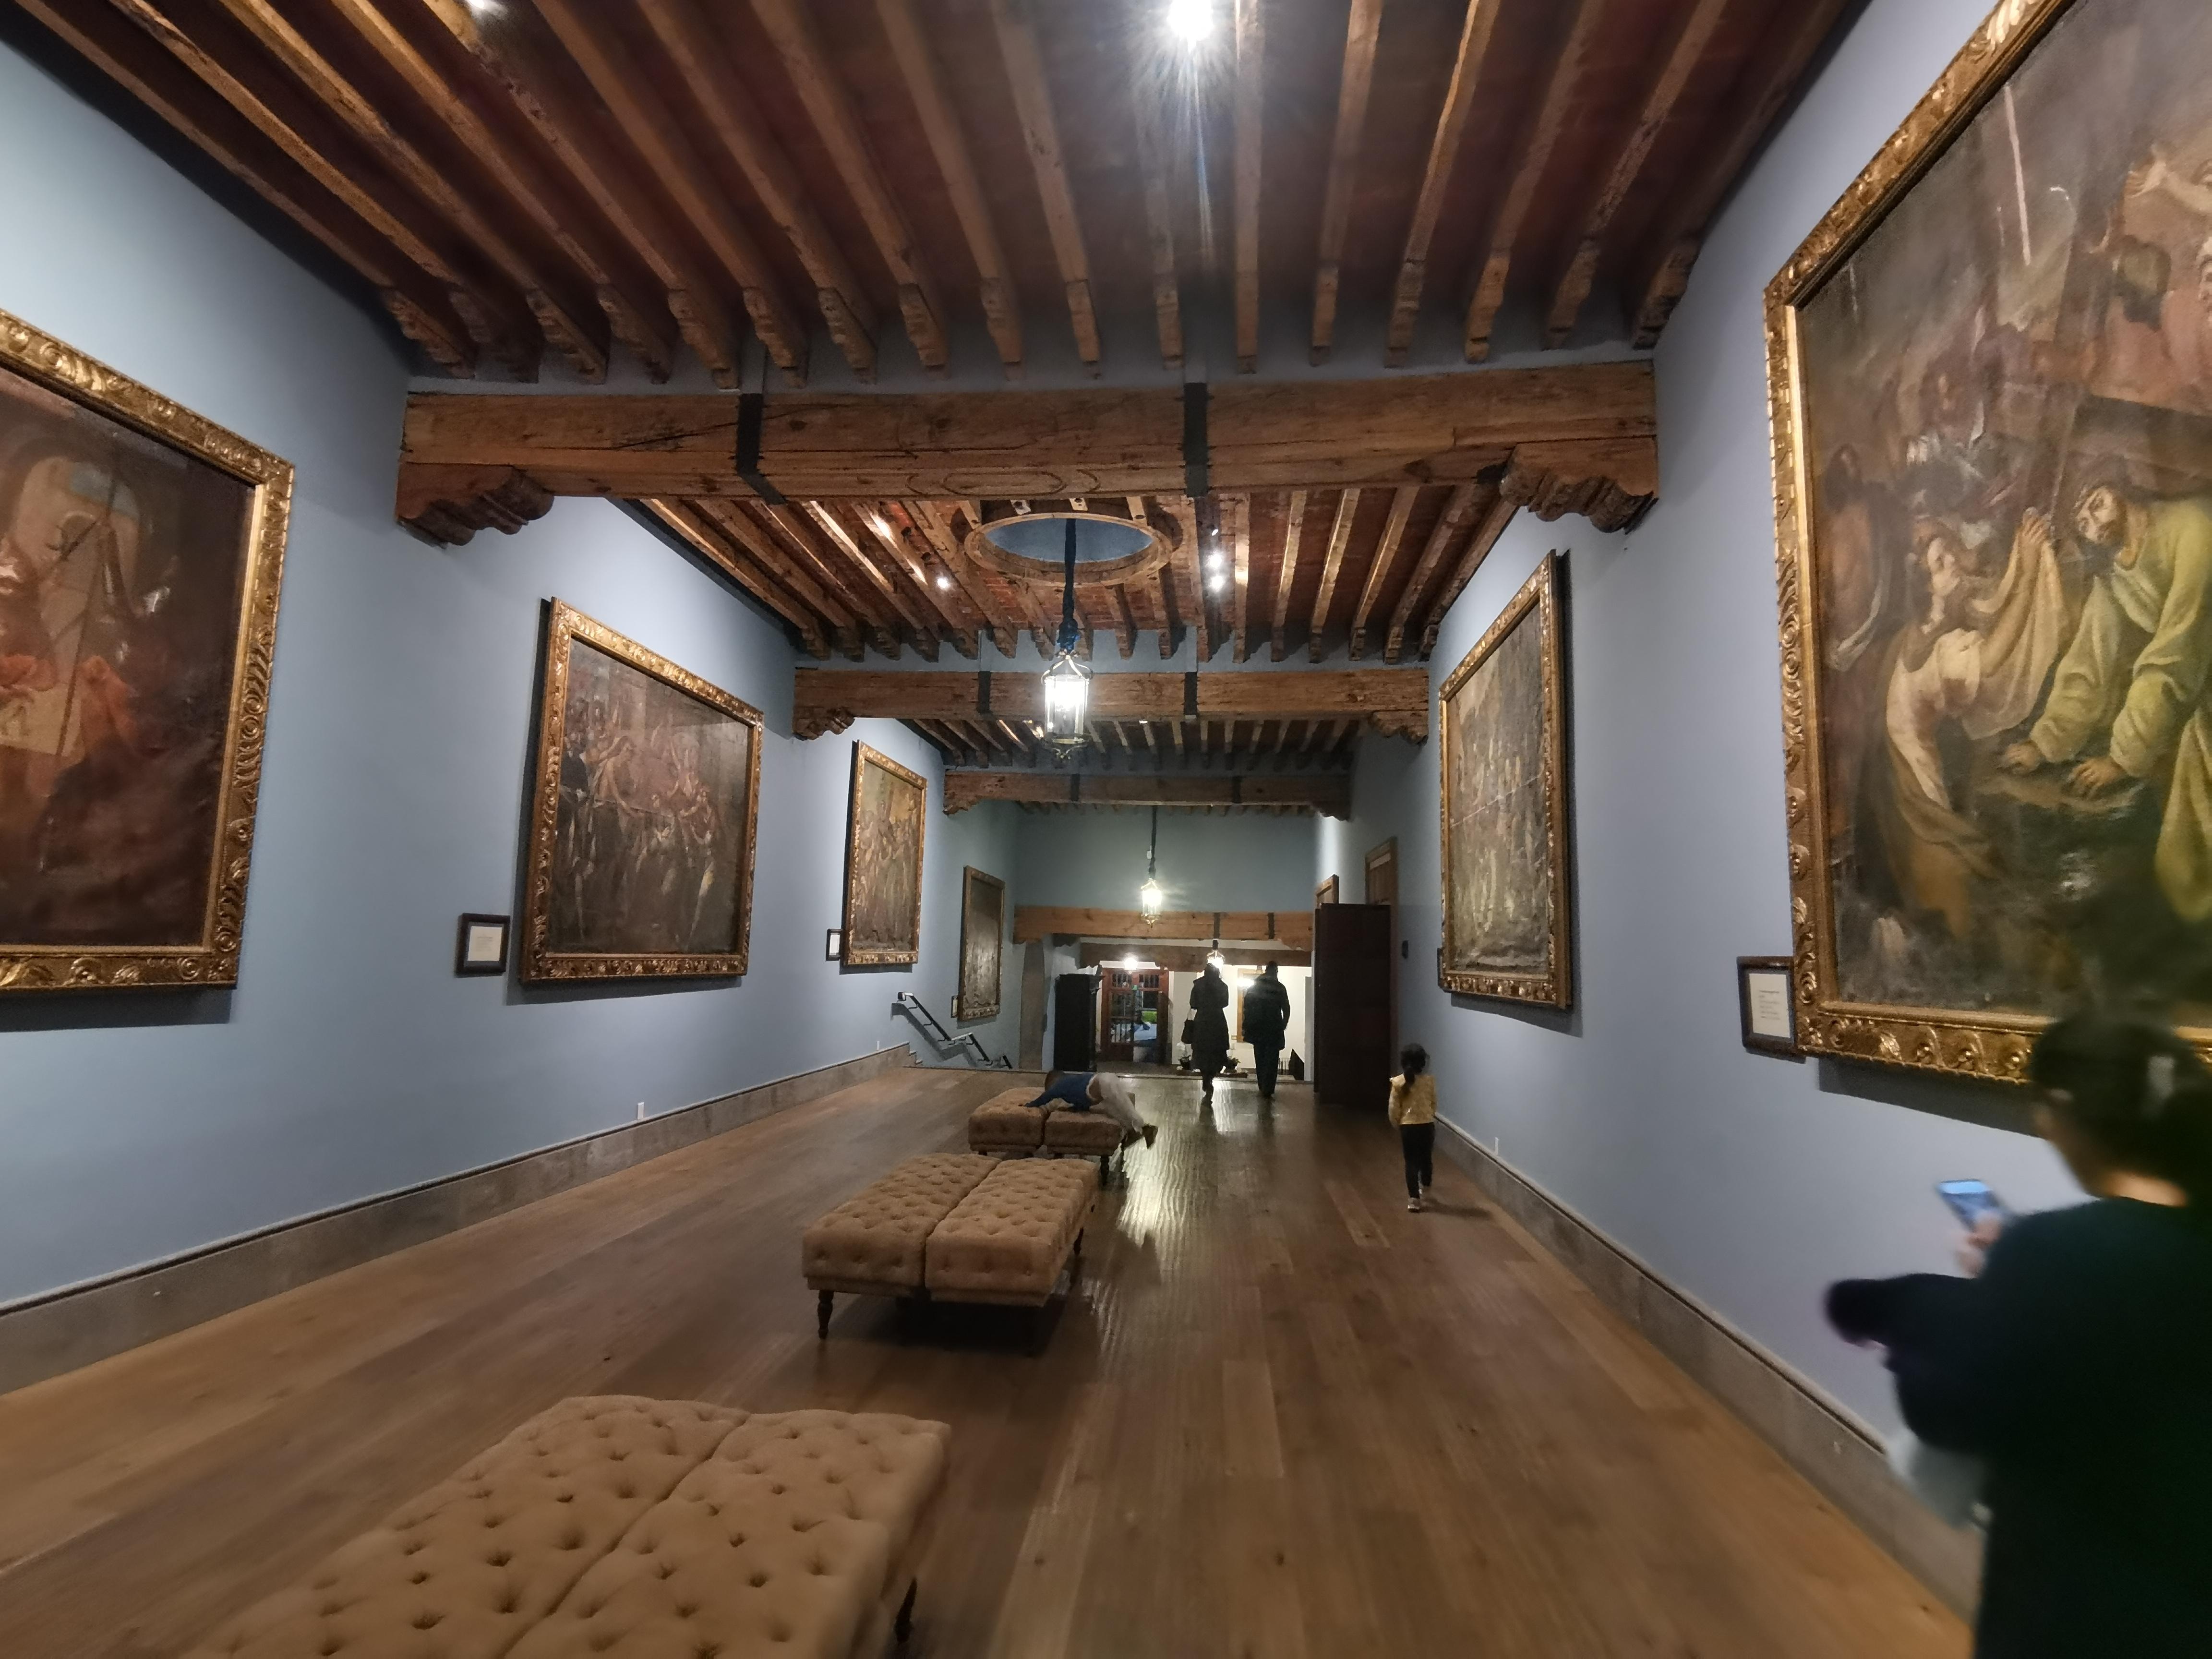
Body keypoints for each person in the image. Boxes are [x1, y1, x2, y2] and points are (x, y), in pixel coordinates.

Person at [1823, 1013, 2212, 1657]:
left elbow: (1950, 1409)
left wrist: (1971, 1298)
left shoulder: (2050, 1255)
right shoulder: (2079, 1252)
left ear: (2060, 1109)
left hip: (2089, 1606)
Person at [1999, 480, 2212, 923]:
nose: (2091, 519)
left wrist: (2123, 758)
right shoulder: (2114, 575)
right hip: (2198, 694)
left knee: (2188, 863)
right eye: (2082, 520)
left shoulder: (2193, 530)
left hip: (2201, 685)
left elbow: (2175, 654)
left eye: (2096, 503)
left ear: (2122, 490)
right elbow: (2088, 661)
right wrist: (2045, 743)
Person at [1024, 1070, 1156, 1148]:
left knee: (1124, 1107)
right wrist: (1075, 1109)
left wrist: (1030, 1105)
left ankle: (1143, 1127)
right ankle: (1133, 1131)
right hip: (1103, 1083)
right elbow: (1082, 1103)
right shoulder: (1071, 1086)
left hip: (1101, 1083)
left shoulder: (1060, 1084)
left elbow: (1046, 1097)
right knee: (1115, 1110)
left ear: (1054, 1080)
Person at [1387, 1043, 1436, 1213]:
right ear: (1423, 1062)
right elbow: (1433, 1103)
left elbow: (1394, 1108)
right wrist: (1429, 1116)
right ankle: (1426, 1186)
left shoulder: (1398, 1083)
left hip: (1408, 1128)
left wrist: (1397, 1123)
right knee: (1426, 1158)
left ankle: (1414, 1199)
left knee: (1411, 1162)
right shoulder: (1429, 1082)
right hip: (1427, 1126)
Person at [1241, 963, 1290, 1099]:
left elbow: (1247, 1008)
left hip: (1257, 1028)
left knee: (1260, 1058)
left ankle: (1262, 1085)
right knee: (1272, 1060)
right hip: (1274, 1028)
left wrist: (1246, 1026)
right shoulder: (1280, 988)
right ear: (1276, 972)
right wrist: (1284, 1023)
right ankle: (1269, 1088)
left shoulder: (1255, 987)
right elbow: (1286, 1008)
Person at [1187, 962, 1230, 1100]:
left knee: (1202, 1051)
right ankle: (1210, 1078)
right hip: (1217, 1021)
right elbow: (1225, 1003)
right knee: (1216, 1052)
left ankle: (1206, 1078)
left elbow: (1193, 1004)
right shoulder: (1222, 986)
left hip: (1202, 1021)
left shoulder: (1198, 985)